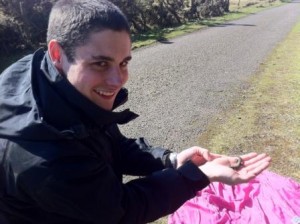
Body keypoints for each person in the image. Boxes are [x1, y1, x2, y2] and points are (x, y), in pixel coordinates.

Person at [0, 0, 271, 223]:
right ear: (57, 53)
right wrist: (198, 175)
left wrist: (171, 159)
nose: (118, 80)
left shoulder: (51, 80)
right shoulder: (42, 154)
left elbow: (110, 144)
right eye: (101, 63)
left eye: (124, 62)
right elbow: (121, 209)